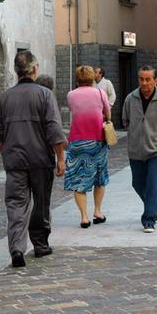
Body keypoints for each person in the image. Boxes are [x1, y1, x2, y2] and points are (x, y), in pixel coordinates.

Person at [0, 50, 67, 268]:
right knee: (41, 203)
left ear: (16, 71)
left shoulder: (6, 97)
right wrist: (60, 158)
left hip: (15, 160)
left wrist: (6, 151)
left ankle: (17, 248)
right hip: (41, 160)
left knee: (16, 203)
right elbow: (54, 129)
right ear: (34, 69)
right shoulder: (45, 95)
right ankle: (40, 244)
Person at [122, 65, 157, 233]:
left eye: (148, 79)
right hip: (136, 150)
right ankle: (152, 206)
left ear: (155, 80)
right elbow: (126, 120)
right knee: (137, 183)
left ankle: (149, 219)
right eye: (141, 79)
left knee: (153, 184)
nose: (144, 83)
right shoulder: (130, 99)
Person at [65, 66, 111, 228]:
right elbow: (108, 113)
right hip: (97, 140)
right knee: (99, 177)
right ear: (92, 78)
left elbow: (73, 109)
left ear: (77, 79)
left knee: (79, 178)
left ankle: (84, 217)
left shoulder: (71, 95)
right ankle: (97, 211)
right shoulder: (100, 93)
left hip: (77, 141)